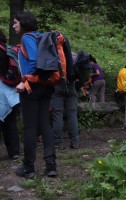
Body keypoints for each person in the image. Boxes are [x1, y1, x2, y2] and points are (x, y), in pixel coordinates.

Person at [13, 12, 57, 178]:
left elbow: (33, 61)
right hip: (46, 86)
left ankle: (29, 168)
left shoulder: (27, 38)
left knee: (30, 127)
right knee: (45, 125)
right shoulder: (41, 37)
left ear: (23, 23)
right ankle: (51, 166)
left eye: (15, 22)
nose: (14, 25)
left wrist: (25, 81)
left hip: (32, 87)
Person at [51, 53, 80, 150]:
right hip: (71, 86)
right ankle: (75, 142)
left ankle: (58, 143)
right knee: (72, 115)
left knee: (57, 114)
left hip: (57, 85)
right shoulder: (72, 55)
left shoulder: (54, 55)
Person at [0, 29, 20, 160]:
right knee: (10, 122)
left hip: (2, 90)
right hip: (11, 90)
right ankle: (14, 152)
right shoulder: (6, 49)